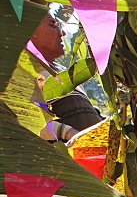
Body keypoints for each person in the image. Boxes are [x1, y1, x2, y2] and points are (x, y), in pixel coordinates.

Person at [30, 13, 102, 141]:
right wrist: (67, 133)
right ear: (30, 31)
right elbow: (25, 118)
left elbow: (82, 114)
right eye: (52, 25)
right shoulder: (25, 72)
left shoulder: (62, 72)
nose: (62, 33)